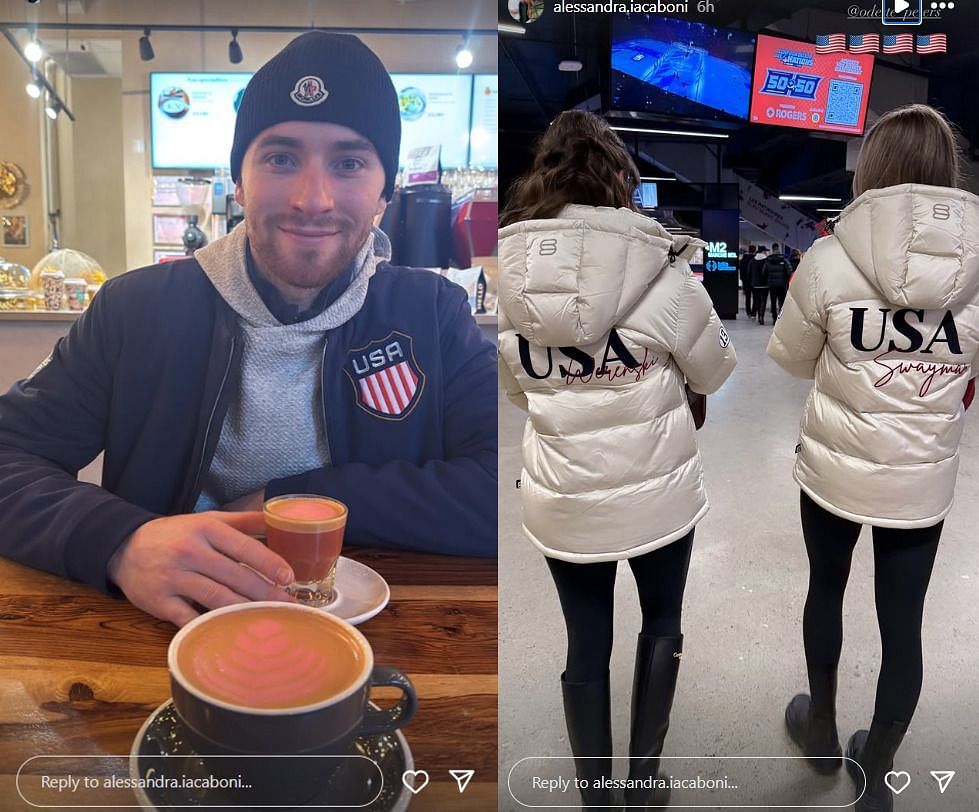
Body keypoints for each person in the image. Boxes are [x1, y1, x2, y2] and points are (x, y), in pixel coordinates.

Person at [0, 32, 497, 628]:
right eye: (280, 158)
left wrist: (297, 501)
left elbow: (510, 488)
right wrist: (121, 541)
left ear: (383, 192)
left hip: (386, 639)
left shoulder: (433, 316)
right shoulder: (135, 311)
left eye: (349, 163)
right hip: (160, 632)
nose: (312, 200)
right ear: (238, 180)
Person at [498, 110, 736, 810]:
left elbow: (515, 389)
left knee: (585, 638)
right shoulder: (661, 270)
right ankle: (643, 783)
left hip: (563, 493)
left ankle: (594, 797)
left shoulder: (511, 277)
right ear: (617, 176)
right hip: (656, 487)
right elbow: (715, 369)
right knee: (660, 622)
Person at [768, 104, 979, 812]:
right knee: (903, 623)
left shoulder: (828, 257)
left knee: (824, 591)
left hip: (834, 464)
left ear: (871, 171)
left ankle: (821, 732)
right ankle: (877, 772)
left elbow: (793, 361)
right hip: (921, 476)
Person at [763, 242, 792, 323]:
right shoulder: (784, 259)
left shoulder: (768, 260)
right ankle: (781, 318)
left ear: (772, 249)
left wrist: (769, 278)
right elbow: (789, 271)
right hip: (782, 284)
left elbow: (764, 272)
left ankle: (774, 318)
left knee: (773, 302)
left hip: (772, 284)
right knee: (782, 302)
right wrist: (785, 280)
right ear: (778, 249)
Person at [749, 244, 770, 324]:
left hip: (755, 284)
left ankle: (757, 315)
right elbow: (768, 272)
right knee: (763, 301)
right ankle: (761, 316)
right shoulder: (766, 260)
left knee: (757, 300)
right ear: (763, 251)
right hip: (765, 284)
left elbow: (749, 272)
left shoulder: (752, 260)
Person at [739, 244, 756, 318]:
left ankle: (748, 312)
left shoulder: (744, 259)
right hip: (755, 281)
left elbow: (741, 270)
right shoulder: (755, 259)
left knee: (747, 297)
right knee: (755, 297)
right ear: (755, 250)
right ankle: (754, 312)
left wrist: (742, 279)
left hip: (746, 280)